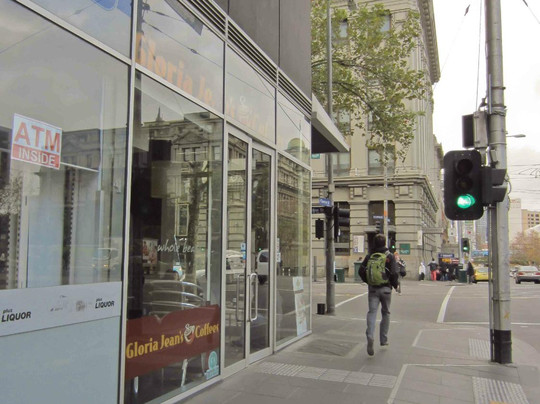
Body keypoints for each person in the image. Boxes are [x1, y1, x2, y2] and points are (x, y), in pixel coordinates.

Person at [358, 234, 398, 356]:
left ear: (374, 243)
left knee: (372, 312)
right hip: (386, 289)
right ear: (385, 242)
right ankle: (383, 340)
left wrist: (368, 281)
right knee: (386, 313)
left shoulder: (370, 255)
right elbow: (394, 273)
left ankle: (370, 335)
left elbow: (361, 271)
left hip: (373, 289)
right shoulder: (389, 256)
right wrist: (394, 285)